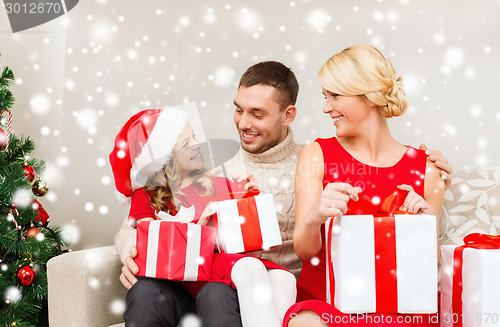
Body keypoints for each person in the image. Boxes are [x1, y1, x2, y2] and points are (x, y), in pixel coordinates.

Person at [115, 61, 453, 326]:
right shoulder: (209, 162)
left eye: (258, 114)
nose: (243, 123)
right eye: (239, 110)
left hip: (258, 288)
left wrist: (426, 169)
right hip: (201, 274)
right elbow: (148, 207)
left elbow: (373, 210)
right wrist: (129, 248)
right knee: (146, 292)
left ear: (288, 115)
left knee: (218, 295)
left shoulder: (316, 160)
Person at [284, 44, 445, 327]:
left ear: (370, 97)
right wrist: (314, 216)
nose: (326, 107)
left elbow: (425, 267)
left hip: (396, 306)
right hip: (328, 302)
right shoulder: (316, 154)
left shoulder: (428, 169)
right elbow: (304, 251)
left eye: (335, 95)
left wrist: (422, 224)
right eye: (325, 96)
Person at [109, 106, 296, 327]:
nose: (197, 144)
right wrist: (199, 228)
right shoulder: (145, 197)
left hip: (216, 288)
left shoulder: (221, 186)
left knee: (216, 294)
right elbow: (151, 246)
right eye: (186, 144)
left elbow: (246, 241)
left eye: (194, 136)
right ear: (164, 159)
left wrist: (251, 198)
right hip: (172, 290)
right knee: (145, 291)